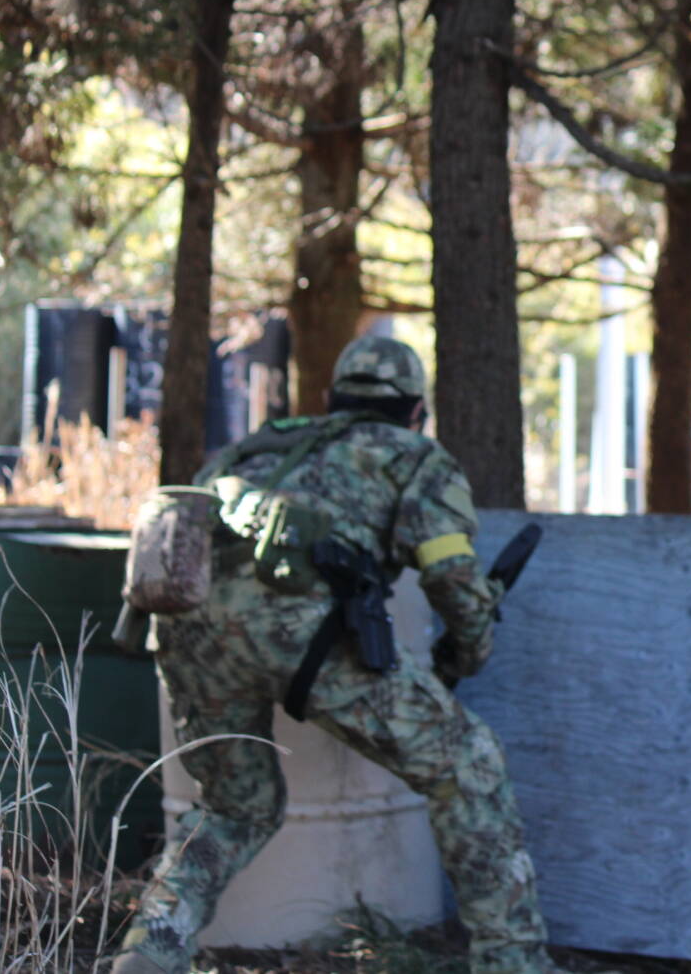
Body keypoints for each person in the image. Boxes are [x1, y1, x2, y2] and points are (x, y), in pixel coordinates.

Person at [112, 335, 549, 974]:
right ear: (416, 411)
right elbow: (451, 578)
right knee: (467, 764)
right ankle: (514, 963)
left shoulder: (259, 447)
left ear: (330, 398)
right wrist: (469, 650)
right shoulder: (416, 457)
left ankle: (150, 950)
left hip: (189, 634)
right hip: (303, 637)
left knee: (235, 807)